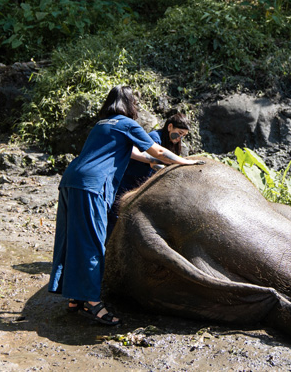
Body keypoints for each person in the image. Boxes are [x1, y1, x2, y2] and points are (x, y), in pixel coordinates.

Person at [48, 85, 202, 326]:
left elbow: (135, 154)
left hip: (70, 180)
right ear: (129, 104)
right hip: (92, 186)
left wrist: (154, 160)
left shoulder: (101, 124)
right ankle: (92, 303)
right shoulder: (127, 124)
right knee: (94, 242)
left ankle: (74, 298)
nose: (137, 107)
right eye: (135, 103)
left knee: (73, 239)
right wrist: (186, 162)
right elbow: (158, 150)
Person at [107, 112, 191, 235]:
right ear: (170, 127)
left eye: (183, 135)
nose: (180, 138)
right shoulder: (154, 137)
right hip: (128, 181)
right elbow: (154, 162)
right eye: (179, 133)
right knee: (116, 216)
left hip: (142, 185)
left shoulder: (173, 144)